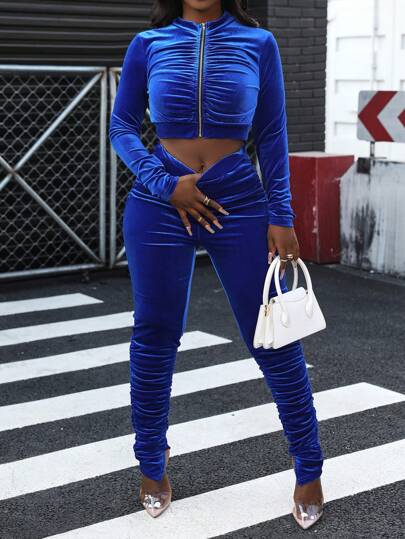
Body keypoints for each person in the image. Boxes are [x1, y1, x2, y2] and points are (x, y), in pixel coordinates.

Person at [109, 0, 325, 529]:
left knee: (271, 336)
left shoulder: (259, 43)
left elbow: (271, 134)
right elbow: (121, 126)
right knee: (155, 333)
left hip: (240, 200)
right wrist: (164, 184)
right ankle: (152, 463)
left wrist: (282, 215)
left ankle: (309, 466)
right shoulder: (148, 44)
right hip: (160, 200)